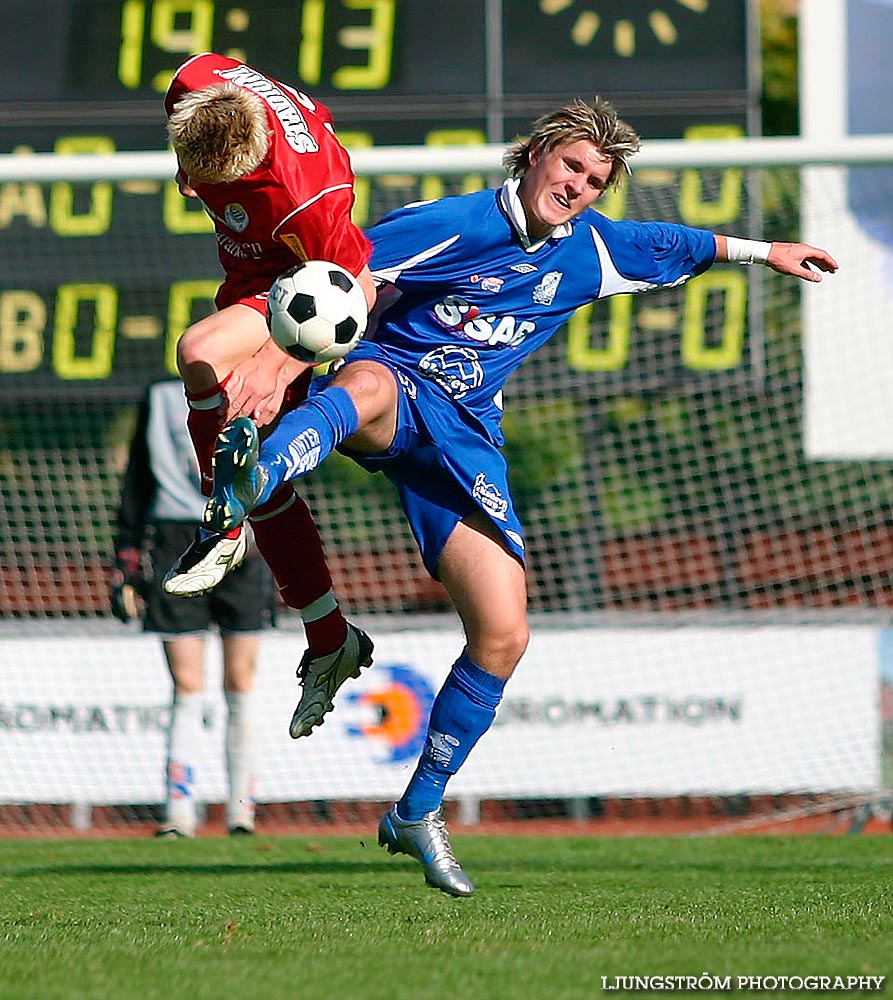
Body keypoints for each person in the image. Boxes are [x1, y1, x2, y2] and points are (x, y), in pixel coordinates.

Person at [197, 97, 839, 893]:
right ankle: (252, 480)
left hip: (466, 442)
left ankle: (415, 813)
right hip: (393, 390)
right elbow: (341, 285)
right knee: (362, 381)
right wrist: (281, 367)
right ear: (534, 154)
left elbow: (677, 242)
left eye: (596, 180)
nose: (578, 186)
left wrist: (763, 249)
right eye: (571, 165)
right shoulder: (456, 222)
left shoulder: (591, 250)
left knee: (503, 634)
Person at [159, 53, 375, 735]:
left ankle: (220, 523)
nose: (193, 193)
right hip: (257, 273)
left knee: (200, 355)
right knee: (250, 460)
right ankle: (329, 635)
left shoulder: (306, 199)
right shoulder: (194, 84)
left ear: (251, 169)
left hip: (302, 284)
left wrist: (281, 363)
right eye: (187, 172)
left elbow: (357, 288)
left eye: (211, 184)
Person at [110, 378, 277, 837]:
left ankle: (242, 810)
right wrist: (126, 555)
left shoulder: (257, 386)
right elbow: (139, 477)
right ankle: (179, 812)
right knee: (187, 683)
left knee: (240, 680)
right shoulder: (161, 395)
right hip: (175, 538)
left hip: (242, 535)